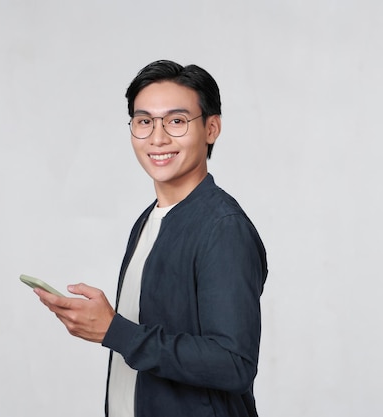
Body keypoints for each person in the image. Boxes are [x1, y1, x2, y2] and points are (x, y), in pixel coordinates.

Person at [35, 59, 268, 417]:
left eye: (176, 121)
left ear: (211, 128)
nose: (157, 138)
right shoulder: (148, 219)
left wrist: (115, 331)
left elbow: (233, 363)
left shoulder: (223, 227)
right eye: (144, 122)